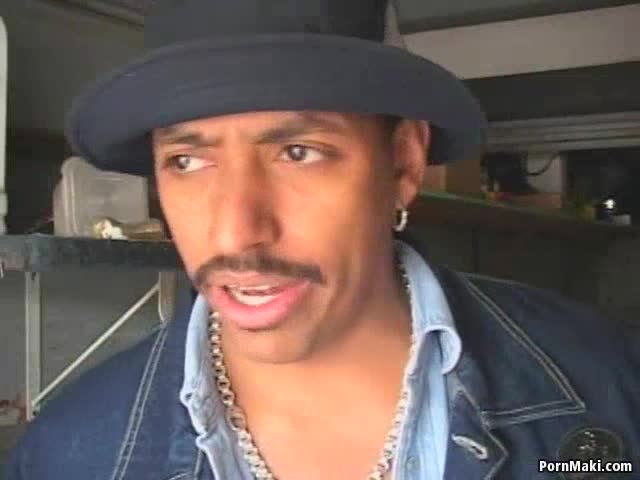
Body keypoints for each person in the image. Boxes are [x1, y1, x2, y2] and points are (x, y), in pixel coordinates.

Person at [8, 0, 639, 479]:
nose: (235, 233)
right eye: (187, 161)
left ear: (402, 162)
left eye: (298, 152)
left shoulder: (607, 387)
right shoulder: (68, 455)